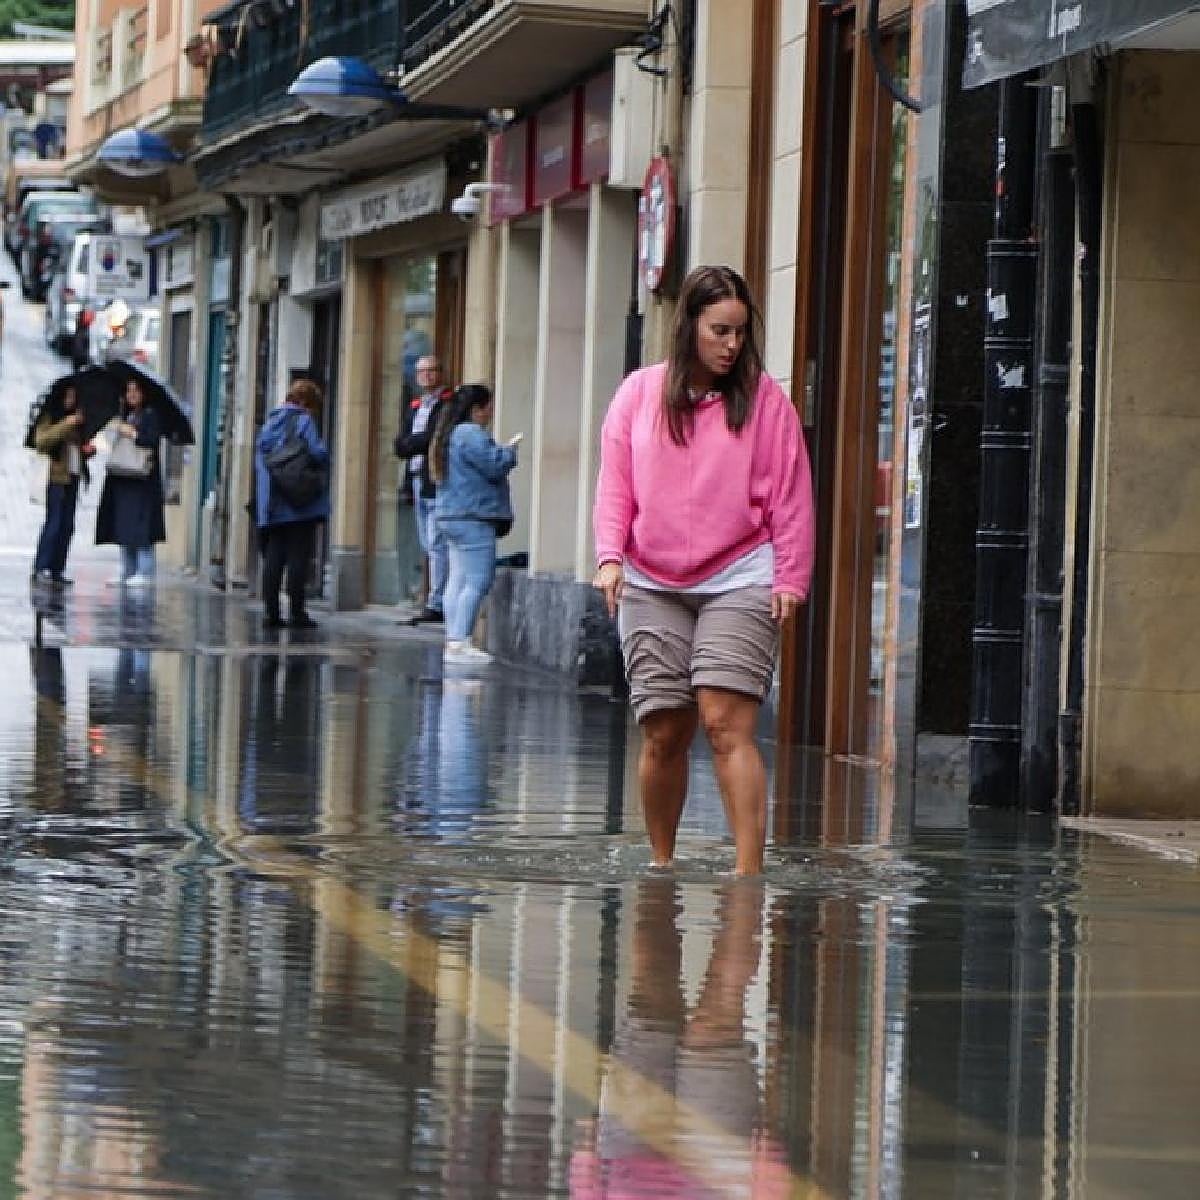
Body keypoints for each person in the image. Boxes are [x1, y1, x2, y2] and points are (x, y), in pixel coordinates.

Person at [592, 265, 815, 876]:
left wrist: (790, 579)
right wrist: (609, 557)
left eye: (741, 333)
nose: (731, 345)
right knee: (664, 730)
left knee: (724, 723)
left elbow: (793, 498)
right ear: (688, 325)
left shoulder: (767, 402)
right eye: (719, 331)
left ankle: (747, 874)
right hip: (651, 578)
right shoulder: (638, 394)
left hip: (742, 573)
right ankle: (661, 862)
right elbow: (616, 486)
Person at [430, 383, 520, 666]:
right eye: (488, 407)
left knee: (456, 579)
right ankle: (460, 640)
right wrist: (510, 451)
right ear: (476, 409)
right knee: (478, 579)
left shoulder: (448, 434)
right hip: (473, 515)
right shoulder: (469, 433)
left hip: (449, 514)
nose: (491, 412)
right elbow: (493, 465)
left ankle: (453, 639)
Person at [254, 378, 331, 629]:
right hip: (299, 499)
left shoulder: (269, 422)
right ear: (307, 403)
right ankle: (297, 612)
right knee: (299, 556)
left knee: (274, 556)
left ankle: (270, 612)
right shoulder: (303, 420)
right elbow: (318, 452)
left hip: (274, 500)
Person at [394, 354, 453, 624]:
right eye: (422, 372)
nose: (427, 376)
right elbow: (401, 445)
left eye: (432, 370)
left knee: (437, 543)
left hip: (435, 480)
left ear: (441, 373)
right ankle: (431, 596)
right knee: (427, 543)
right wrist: (415, 443)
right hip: (417, 478)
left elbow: (434, 438)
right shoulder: (416, 406)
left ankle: (437, 601)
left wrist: (414, 443)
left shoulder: (447, 404)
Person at [95, 378, 166, 587]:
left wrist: (132, 432)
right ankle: (127, 569)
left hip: (142, 480)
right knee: (123, 525)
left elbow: (151, 440)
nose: (131, 395)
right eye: (128, 391)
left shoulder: (151, 414)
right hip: (122, 477)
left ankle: (144, 571)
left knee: (142, 528)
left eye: (135, 391)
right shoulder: (123, 414)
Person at [31, 385, 94, 585]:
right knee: (54, 522)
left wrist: (87, 451)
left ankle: (58, 568)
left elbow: (76, 448)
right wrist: (68, 422)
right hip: (55, 477)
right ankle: (41, 567)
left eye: (74, 396)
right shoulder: (51, 415)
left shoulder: (78, 419)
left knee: (67, 525)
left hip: (73, 475)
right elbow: (42, 441)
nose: (71, 399)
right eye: (67, 396)